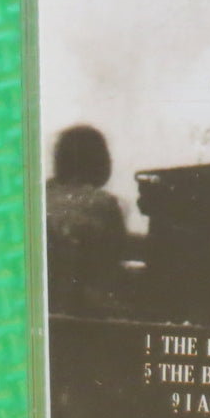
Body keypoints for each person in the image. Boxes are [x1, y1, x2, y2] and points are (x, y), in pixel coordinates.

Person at [45, 125, 135, 318]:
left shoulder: (40, 194)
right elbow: (115, 257)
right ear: (101, 161)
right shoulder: (104, 204)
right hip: (82, 310)